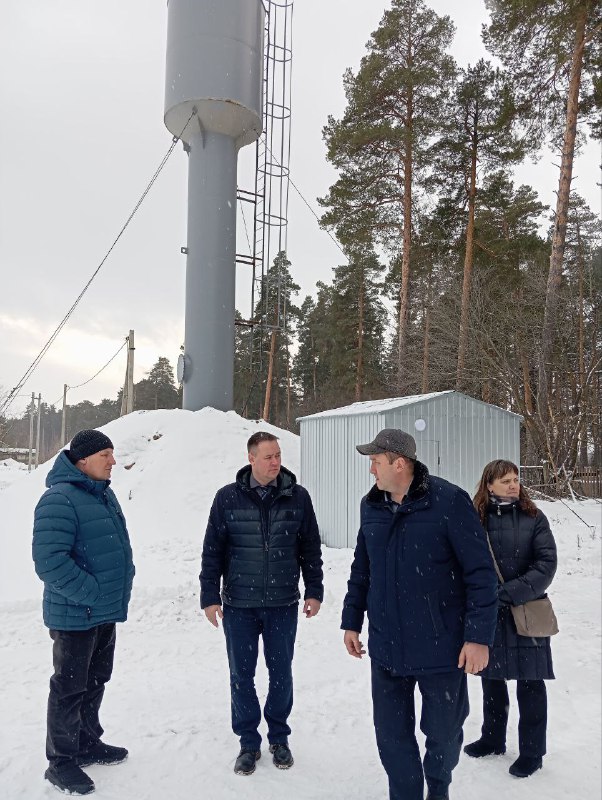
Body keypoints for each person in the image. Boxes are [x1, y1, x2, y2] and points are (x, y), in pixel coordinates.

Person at [342, 429, 498, 800]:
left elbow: (481, 574)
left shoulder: (449, 502)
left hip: (440, 646)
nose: (371, 470)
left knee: (444, 732)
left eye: (375, 462)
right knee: (392, 736)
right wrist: (351, 619)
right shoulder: (372, 506)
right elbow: (362, 567)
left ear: (399, 463)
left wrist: (478, 637)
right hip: (386, 646)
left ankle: (439, 787)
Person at [200, 431, 324, 776]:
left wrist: (314, 590)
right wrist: (209, 595)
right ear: (251, 458)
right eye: (268, 456)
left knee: (281, 673)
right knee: (242, 675)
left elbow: (310, 549)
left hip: (283, 602)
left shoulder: (297, 497)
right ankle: (248, 742)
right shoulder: (227, 498)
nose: (275, 462)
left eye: (278, 455)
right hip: (239, 603)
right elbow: (213, 551)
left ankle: (279, 737)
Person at [32, 429, 135, 796]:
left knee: (96, 679)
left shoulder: (102, 495)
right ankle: (61, 762)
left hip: (102, 611)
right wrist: (91, 593)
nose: (113, 461)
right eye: (106, 454)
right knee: (69, 688)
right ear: (83, 460)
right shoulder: (59, 498)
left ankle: (87, 742)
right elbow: (50, 562)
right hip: (76, 614)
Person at [463, 459, 557, 779]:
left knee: (530, 684)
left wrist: (507, 593)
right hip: (489, 614)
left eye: (515, 479)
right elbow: (464, 562)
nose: (513, 484)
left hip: (525, 613)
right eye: (505, 480)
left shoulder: (534, 517)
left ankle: (532, 752)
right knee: (492, 680)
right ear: (489, 485)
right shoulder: (475, 520)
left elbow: (546, 565)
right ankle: (492, 738)